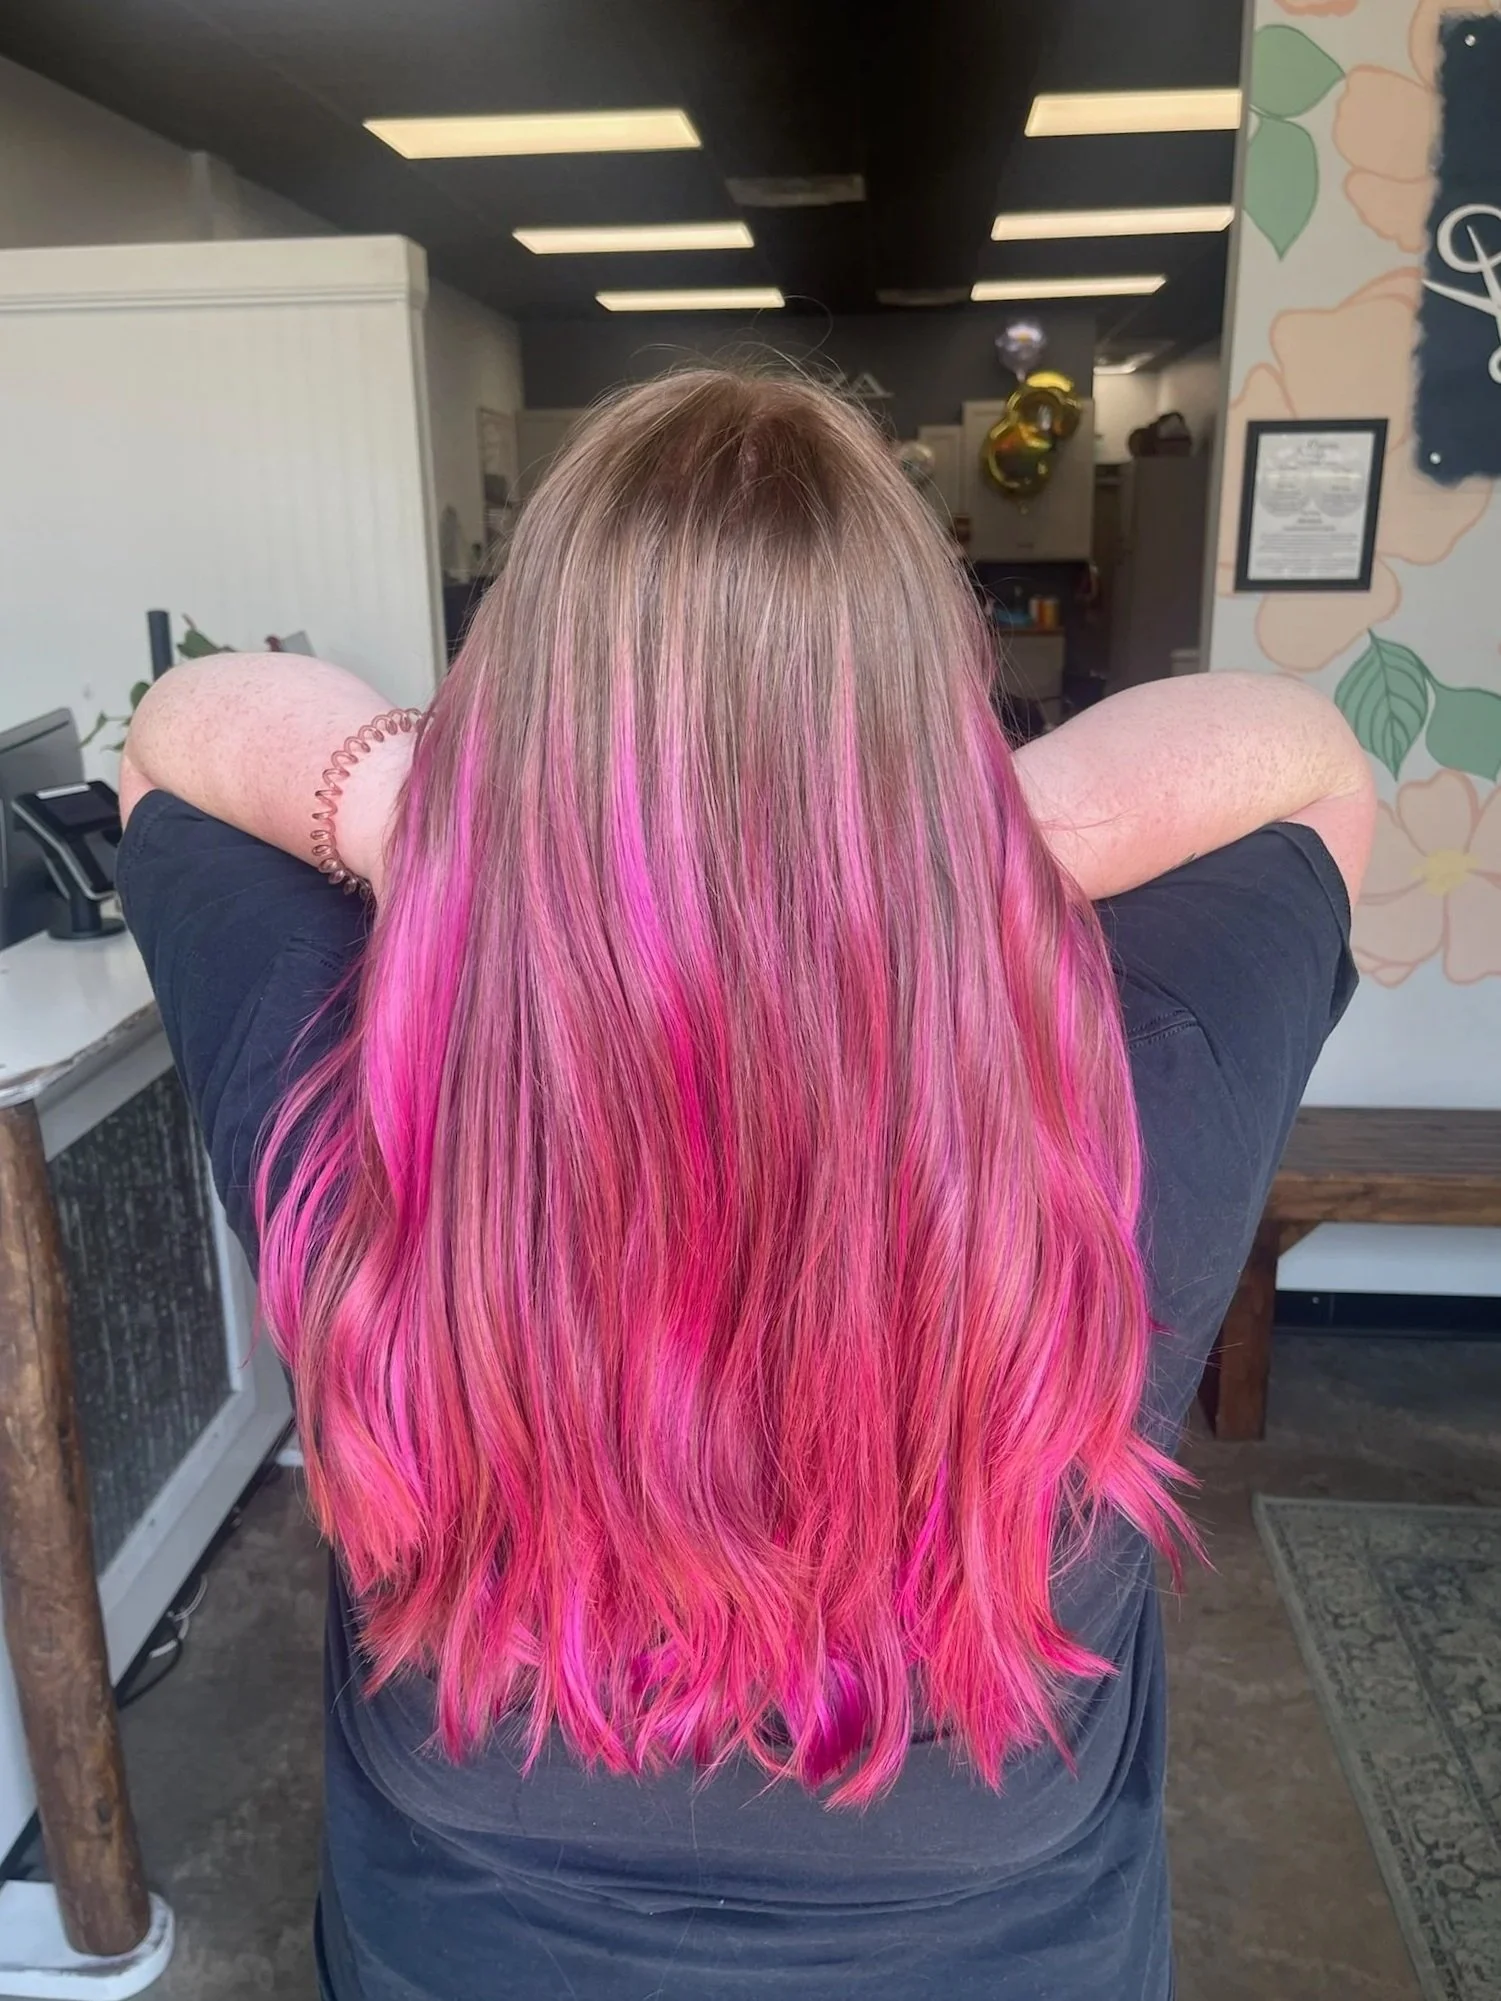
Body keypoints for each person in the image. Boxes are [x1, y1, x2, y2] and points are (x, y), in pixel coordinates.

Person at [117, 370, 1373, 2001]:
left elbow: (174, 736)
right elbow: (1312, 756)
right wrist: (918, 843)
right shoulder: (1141, 1083)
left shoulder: (343, 1067)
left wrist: (481, 824)